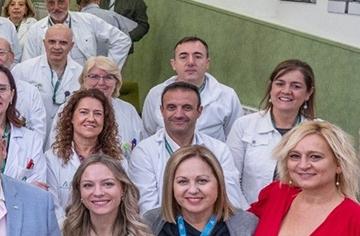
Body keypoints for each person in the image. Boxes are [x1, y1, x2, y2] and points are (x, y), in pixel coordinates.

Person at [129, 82, 246, 212]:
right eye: (171, 107)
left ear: (199, 111)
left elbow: (230, 202)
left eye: (187, 108)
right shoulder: (144, 152)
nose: (179, 114)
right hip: (163, 230)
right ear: (161, 111)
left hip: (213, 229)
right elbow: (148, 212)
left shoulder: (219, 150)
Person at [227, 59, 316, 205]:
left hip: (297, 219)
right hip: (247, 216)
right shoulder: (244, 125)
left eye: (296, 86)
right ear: (271, 88)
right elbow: (229, 179)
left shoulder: (319, 133)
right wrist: (248, 216)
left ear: (308, 93)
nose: (286, 91)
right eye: (280, 84)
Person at [142, 37, 242, 142]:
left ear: (207, 63)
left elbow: (234, 140)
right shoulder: (156, 94)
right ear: (173, 64)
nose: (190, 62)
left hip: (211, 157)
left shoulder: (228, 96)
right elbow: (147, 135)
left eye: (197, 57)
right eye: (183, 57)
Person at [45, 88, 126, 217]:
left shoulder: (118, 159)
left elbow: (124, 202)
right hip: (65, 232)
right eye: (84, 112)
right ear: (71, 117)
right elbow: (52, 207)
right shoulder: (52, 158)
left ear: (105, 120)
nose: (91, 119)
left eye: (98, 114)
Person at [20, 0, 130, 69]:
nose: (56, 7)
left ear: (69, 2)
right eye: (51, 3)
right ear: (46, 4)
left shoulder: (88, 20)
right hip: (47, 83)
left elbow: (122, 40)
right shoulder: (35, 30)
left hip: (83, 82)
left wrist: (106, 69)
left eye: (61, 2)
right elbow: (27, 63)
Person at [12, 23, 83, 130]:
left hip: (66, 135)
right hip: (30, 134)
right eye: (52, 42)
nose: (57, 47)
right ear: (44, 43)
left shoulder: (82, 74)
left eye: (63, 43)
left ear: (71, 46)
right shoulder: (23, 70)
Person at [78, 56, 145, 154]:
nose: (101, 83)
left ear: (116, 82)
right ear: (84, 80)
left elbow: (142, 150)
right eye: (94, 77)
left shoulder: (128, 110)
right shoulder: (69, 108)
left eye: (108, 77)